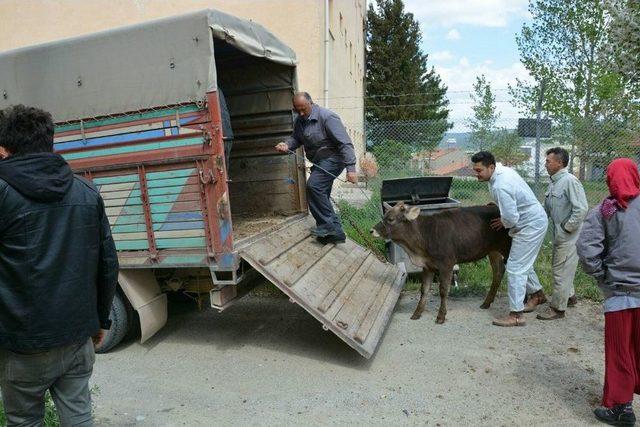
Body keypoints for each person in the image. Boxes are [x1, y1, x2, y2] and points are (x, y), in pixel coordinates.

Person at [0, 105, 119, 426]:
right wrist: (101, 320)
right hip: (77, 337)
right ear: (50, 142)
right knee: (79, 419)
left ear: (4, 148)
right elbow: (107, 263)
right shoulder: (86, 190)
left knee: (24, 421)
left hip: (22, 344)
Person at [577, 158, 640, 426]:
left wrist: (602, 276)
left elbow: (588, 248)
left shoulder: (606, 209)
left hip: (620, 293)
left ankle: (620, 408)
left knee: (620, 350)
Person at [471, 151, 548, 326]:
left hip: (530, 224)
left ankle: (516, 315)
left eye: (479, 171)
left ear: (491, 167)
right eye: (475, 170)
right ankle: (538, 295)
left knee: (515, 267)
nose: (476, 174)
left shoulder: (501, 184)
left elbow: (511, 218)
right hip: (528, 221)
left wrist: (504, 221)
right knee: (521, 263)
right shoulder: (499, 173)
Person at [275, 92, 358, 244]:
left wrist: (351, 169)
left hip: (334, 159)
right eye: (297, 110)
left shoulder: (327, 117)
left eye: (303, 109)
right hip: (320, 162)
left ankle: (327, 226)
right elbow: (296, 138)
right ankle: (336, 233)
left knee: (314, 186)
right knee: (321, 195)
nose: (300, 113)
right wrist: (287, 144)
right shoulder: (300, 121)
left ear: (311, 103)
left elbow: (345, 143)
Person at [537, 147, 588, 320]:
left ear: (560, 163)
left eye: (548, 161)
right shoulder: (554, 182)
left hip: (568, 234)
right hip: (560, 232)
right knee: (562, 267)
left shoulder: (569, 181)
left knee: (560, 270)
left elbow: (581, 209)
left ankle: (558, 309)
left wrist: (567, 228)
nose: (546, 164)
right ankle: (570, 297)